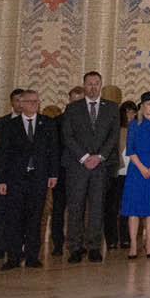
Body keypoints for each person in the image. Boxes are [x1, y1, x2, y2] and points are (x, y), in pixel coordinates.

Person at [0, 89, 58, 269]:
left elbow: (53, 151)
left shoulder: (48, 123)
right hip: (15, 179)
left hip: (38, 178)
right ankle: (13, 257)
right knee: (14, 218)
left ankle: (32, 256)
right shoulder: (9, 126)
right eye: (29, 102)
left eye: (36, 102)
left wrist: (53, 174)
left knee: (34, 217)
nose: (33, 105)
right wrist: (1, 180)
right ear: (20, 104)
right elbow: (2, 155)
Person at [61, 71, 117, 263]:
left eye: (96, 83)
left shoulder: (111, 108)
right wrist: (84, 157)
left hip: (100, 167)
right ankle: (75, 248)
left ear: (101, 85)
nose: (93, 87)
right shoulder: (72, 108)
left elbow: (113, 137)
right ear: (84, 85)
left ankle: (94, 246)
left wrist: (99, 157)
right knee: (75, 207)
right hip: (78, 166)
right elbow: (67, 136)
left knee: (96, 207)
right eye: (89, 83)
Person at [120, 92, 150, 259]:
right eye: (148, 104)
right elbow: (130, 150)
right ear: (142, 106)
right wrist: (141, 168)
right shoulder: (133, 124)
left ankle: (149, 244)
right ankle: (133, 244)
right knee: (133, 208)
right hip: (136, 169)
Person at [48, 84, 85, 256]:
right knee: (58, 209)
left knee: (78, 209)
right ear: (68, 102)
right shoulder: (57, 122)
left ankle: (78, 242)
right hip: (62, 171)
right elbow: (53, 149)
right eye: (74, 101)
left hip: (81, 172)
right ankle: (57, 243)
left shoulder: (89, 122)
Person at [0, 89, 23, 263]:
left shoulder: (34, 122)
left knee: (22, 212)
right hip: (3, 174)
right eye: (16, 100)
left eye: (22, 100)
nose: (19, 103)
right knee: (2, 211)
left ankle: (19, 246)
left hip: (25, 176)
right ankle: (1, 246)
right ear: (11, 102)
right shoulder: (1, 123)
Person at [105, 100, 136, 250]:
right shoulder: (116, 130)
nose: (130, 115)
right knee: (112, 207)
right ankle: (111, 239)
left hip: (133, 174)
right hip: (117, 173)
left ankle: (125, 238)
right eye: (127, 112)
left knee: (127, 208)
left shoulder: (138, 129)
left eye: (132, 112)